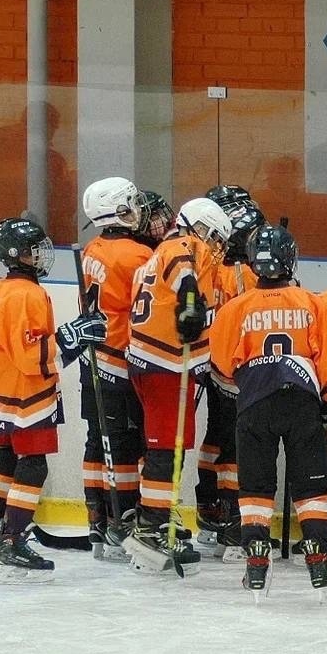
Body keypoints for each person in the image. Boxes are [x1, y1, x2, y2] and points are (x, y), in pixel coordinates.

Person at [209, 225, 327, 601]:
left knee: (255, 488)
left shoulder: (235, 307)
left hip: (254, 404)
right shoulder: (311, 303)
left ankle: (255, 562)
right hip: (302, 404)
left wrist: (251, 386)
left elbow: (220, 366)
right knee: (311, 488)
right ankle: (318, 558)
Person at [0, 217, 106, 583]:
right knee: (33, 465)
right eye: (34, 251)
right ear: (18, 255)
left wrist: (72, 339)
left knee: (3, 460)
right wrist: (72, 337)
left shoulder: (0, 288)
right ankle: (12, 541)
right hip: (25, 396)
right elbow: (33, 356)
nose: (41, 256)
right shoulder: (27, 294)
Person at [123, 197, 232, 575]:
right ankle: (151, 527)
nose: (216, 247)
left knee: (168, 444)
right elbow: (184, 277)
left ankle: (155, 517)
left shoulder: (168, 255)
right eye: (213, 236)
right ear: (197, 227)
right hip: (164, 362)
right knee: (166, 448)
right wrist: (189, 305)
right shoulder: (180, 246)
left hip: (159, 361)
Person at [77, 177, 159, 562]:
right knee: (126, 444)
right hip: (122, 361)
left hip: (92, 360)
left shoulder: (93, 248)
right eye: (131, 203)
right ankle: (124, 519)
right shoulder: (138, 256)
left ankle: (98, 516)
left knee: (98, 440)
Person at [194, 184, 267, 558]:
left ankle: (209, 507)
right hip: (240, 370)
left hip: (213, 364)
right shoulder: (247, 273)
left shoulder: (205, 263)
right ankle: (230, 517)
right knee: (236, 444)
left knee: (217, 436)